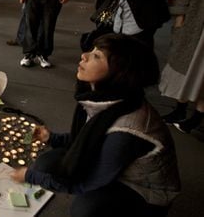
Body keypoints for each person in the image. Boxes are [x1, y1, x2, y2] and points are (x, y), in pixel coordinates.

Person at [10, 34, 181, 217]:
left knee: (84, 210)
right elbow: (90, 137)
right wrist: (51, 138)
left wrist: (30, 177)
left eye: (97, 56)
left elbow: (87, 183)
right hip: (116, 163)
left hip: (143, 190)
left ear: (119, 72)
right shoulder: (107, 97)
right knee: (45, 164)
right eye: (92, 50)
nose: (84, 55)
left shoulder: (127, 131)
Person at [159, 0, 204, 133]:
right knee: (186, 64)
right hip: (197, 18)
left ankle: (197, 117)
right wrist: (181, 12)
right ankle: (180, 109)